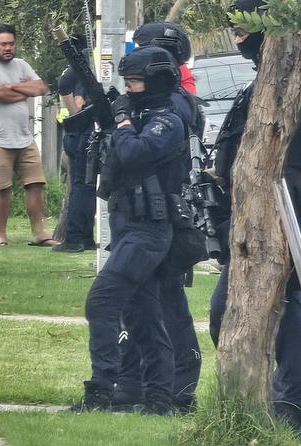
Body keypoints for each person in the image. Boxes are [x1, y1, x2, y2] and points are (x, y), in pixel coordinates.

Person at [209, 0, 301, 430]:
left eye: (244, 25)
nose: (237, 35)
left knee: (293, 308)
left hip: (289, 209)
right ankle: (247, 407)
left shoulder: (291, 86)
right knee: (223, 310)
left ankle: (290, 405)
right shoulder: (258, 87)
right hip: (250, 220)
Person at [79, 46, 185, 415]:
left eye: (136, 82)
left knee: (102, 301)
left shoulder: (167, 121)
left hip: (149, 231)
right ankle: (159, 398)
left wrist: (122, 124)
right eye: (127, 82)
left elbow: (135, 153)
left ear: (156, 81)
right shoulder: (137, 115)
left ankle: (101, 391)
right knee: (142, 315)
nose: (130, 88)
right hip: (129, 229)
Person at [113, 22, 203, 413]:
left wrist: (124, 125)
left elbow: (144, 150)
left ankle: (175, 390)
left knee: (165, 306)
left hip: (161, 213)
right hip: (140, 211)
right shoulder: (164, 99)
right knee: (139, 303)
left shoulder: (174, 104)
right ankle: (133, 385)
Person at [0, 24, 57, 247]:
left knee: (36, 184)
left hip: (23, 137)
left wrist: (11, 86)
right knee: (2, 187)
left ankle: (39, 234)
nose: (8, 48)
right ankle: (1, 236)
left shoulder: (21, 64)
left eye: (11, 43)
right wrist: (20, 90)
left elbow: (40, 88)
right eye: (3, 44)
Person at [51, 60, 97, 253]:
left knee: (79, 185)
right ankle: (85, 237)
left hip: (81, 131)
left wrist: (74, 115)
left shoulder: (85, 58)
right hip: (89, 130)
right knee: (87, 186)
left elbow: (65, 86)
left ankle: (75, 238)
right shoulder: (97, 56)